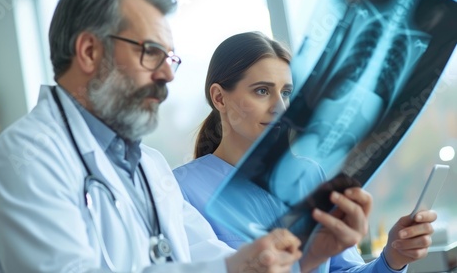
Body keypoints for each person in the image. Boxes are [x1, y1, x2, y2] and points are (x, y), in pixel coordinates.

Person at [0, 0, 362, 272]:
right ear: (90, 52)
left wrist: (310, 258)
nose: (168, 74)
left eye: (170, 57)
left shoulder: (150, 167)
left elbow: (218, 262)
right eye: (151, 53)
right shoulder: (27, 157)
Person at [173, 32, 436, 272]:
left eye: (286, 93)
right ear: (219, 98)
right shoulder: (180, 191)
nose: (280, 108)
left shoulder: (311, 176)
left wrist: (392, 259)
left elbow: (343, 270)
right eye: (262, 91)